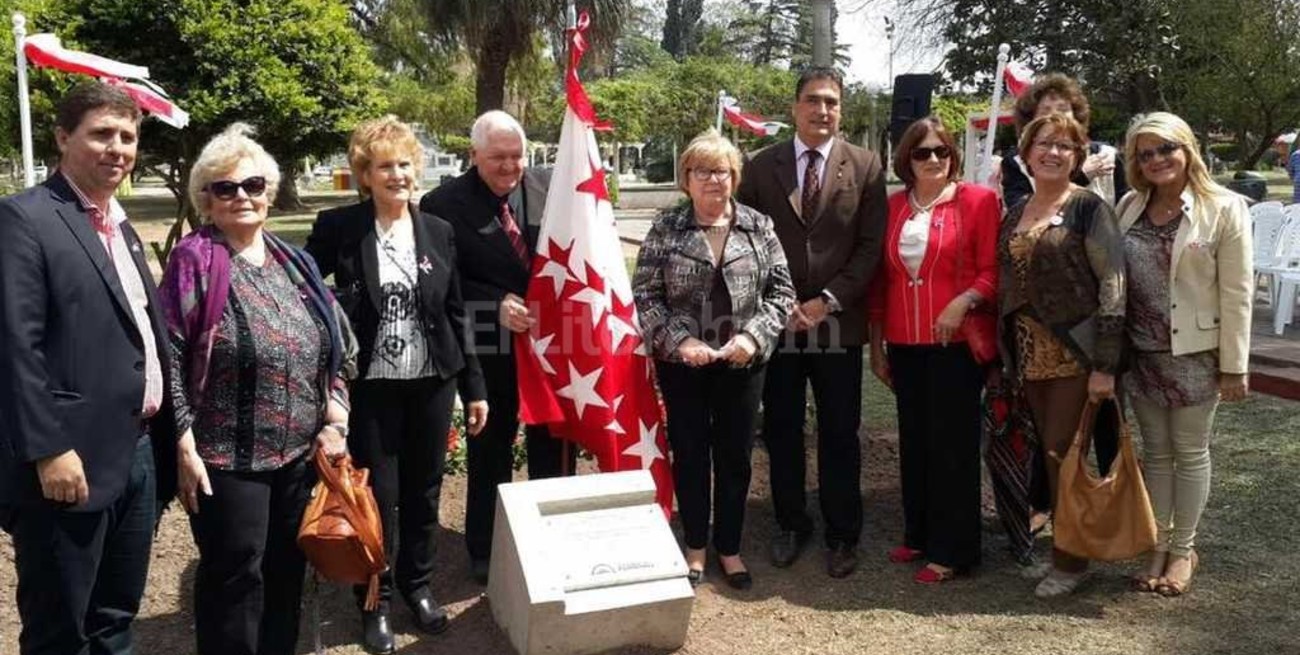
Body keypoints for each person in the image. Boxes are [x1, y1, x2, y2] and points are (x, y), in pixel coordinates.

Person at [159, 123, 356, 655]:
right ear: (207, 199)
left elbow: (336, 346)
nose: (241, 197)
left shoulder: (295, 262)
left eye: (252, 185)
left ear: (268, 191)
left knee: (287, 575)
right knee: (235, 579)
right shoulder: (195, 260)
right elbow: (169, 356)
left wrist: (335, 414)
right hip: (228, 457)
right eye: (225, 188)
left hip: (298, 453)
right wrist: (183, 444)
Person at [0, 82, 177, 655]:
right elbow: (14, 346)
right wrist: (48, 449)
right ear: (61, 137)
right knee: (60, 630)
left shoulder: (119, 224)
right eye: (102, 133)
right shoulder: (24, 220)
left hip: (138, 452)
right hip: (68, 462)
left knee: (115, 619)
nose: (118, 148)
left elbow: (144, 336)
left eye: (128, 136)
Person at [305, 116, 489, 652]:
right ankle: (375, 600)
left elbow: (456, 313)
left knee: (425, 491)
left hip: (431, 383)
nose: (398, 174)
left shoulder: (437, 231)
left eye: (406, 164)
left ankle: (418, 585)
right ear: (365, 175)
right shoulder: (340, 227)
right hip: (371, 390)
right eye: (385, 165)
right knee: (378, 499)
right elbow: (304, 292)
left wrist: (473, 387)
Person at [736, 66, 887, 578]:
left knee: (840, 431)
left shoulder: (866, 167)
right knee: (781, 428)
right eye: (813, 100)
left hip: (836, 326)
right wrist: (779, 305)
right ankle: (791, 522)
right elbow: (747, 243)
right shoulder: (760, 167)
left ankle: (843, 532)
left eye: (832, 102)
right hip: (777, 327)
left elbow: (869, 249)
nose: (823, 110)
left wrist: (827, 300)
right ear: (795, 106)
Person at [633, 130, 795, 591]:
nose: (712, 180)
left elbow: (782, 293)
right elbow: (646, 295)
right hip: (684, 365)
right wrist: (680, 342)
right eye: (702, 171)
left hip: (742, 363)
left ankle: (729, 547)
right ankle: (695, 547)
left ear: (734, 177)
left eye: (721, 171)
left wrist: (752, 336)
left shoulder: (759, 225)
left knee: (735, 458)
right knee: (690, 454)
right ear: (686, 178)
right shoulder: (667, 227)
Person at [419, 110, 575, 584]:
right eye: (497, 158)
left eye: (516, 156)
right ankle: (485, 548)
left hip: (552, 343)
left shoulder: (552, 187)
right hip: (488, 345)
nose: (510, 166)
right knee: (491, 448)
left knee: (553, 445)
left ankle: (553, 537)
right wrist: (490, 304)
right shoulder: (440, 204)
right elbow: (436, 283)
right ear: (474, 156)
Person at [1116, 112, 1252, 597]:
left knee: (1190, 452)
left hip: (1195, 353)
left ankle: (1183, 551)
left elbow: (1237, 293)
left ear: (1187, 148)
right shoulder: (1129, 205)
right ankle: (1157, 544)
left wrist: (1234, 364)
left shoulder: (1225, 208)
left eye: (1165, 149)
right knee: (1156, 453)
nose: (1156, 160)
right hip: (1142, 353)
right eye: (1145, 153)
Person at [996, 113, 1126, 598]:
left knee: (1062, 454)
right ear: (1026, 153)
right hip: (1029, 356)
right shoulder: (1017, 211)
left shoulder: (1089, 208)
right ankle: (1063, 552)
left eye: (1065, 146)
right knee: (1045, 455)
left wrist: (1105, 366)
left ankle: (1072, 563)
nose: (1053, 153)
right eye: (1044, 144)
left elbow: (1114, 286)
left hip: (1077, 354)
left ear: (1078, 157)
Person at [867, 117, 1001, 584]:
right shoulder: (893, 206)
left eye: (941, 152)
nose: (932, 160)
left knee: (953, 447)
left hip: (955, 343)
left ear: (953, 157)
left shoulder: (978, 201)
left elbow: (991, 269)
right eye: (922, 153)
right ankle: (919, 533)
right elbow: (882, 281)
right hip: (905, 343)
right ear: (906, 159)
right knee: (916, 443)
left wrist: (962, 302)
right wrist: (877, 345)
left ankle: (954, 549)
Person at [1001, 73, 1129, 210]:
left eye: (1063, 109)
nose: (1055, 115)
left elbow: (1127, 209)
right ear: (1031, 119)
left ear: (1076, 115)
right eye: (1045, 110)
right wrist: (1079, 177)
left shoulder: (1107, 156)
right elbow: (1020, 211)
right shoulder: (1016, 162)